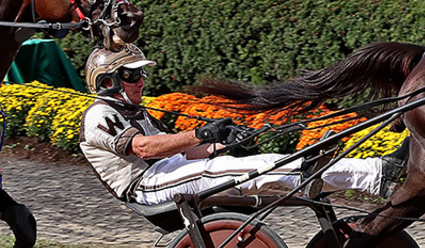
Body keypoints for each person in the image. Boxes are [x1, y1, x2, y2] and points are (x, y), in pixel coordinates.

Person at [78, 44, 408, 208]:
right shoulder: (98, 116)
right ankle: (372, 174)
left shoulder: (135, 111)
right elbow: (144, 149)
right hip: (146, 185)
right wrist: (199, 132)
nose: (142, 80)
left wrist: (227, 141)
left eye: (141, 73)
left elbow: (190, 151)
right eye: (133, 75)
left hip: (170, 170)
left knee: (251, 161)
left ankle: (375, 171)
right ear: (108, 81)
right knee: (256, 170)